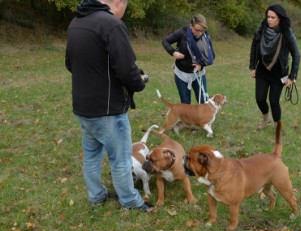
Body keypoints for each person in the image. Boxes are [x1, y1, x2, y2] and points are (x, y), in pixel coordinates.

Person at [65, 0, 153, 211]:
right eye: (126, 6)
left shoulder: (76, 22)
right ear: (117, 3)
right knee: (121, 158)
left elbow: (70, 63)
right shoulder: (111, 24)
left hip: (82, 107)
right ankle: (130, 201)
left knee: (92, 156)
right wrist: (139, 82)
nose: (124, 12)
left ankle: (96, 196)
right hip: (107, 111)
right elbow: (126, 69)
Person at [249, 4, 300, 129]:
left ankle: (278, 125)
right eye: (268, 17)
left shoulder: (287, 33)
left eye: (273, 17)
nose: (269, 20)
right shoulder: (261, 29)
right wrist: (253, 66)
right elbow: (254, 47)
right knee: (260, 99)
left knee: (273, 101)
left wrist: (292, 76)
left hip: (279, 73)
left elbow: (296, 55)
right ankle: (266, 118)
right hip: (262, 69)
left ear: (280, 19)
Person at [162, 14, 215, 104]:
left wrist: (201, 64)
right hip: (182, 74)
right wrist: (173, 52)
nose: (200, 33)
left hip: (199, 74)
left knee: (203, 101)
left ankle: (202, 118)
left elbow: (211, 56)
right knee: (185, 103)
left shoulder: (205, 37)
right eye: (197, 30)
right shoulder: (182, 33)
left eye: (202, 30)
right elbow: (165, 41)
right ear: (191, 26)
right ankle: (187, 118)